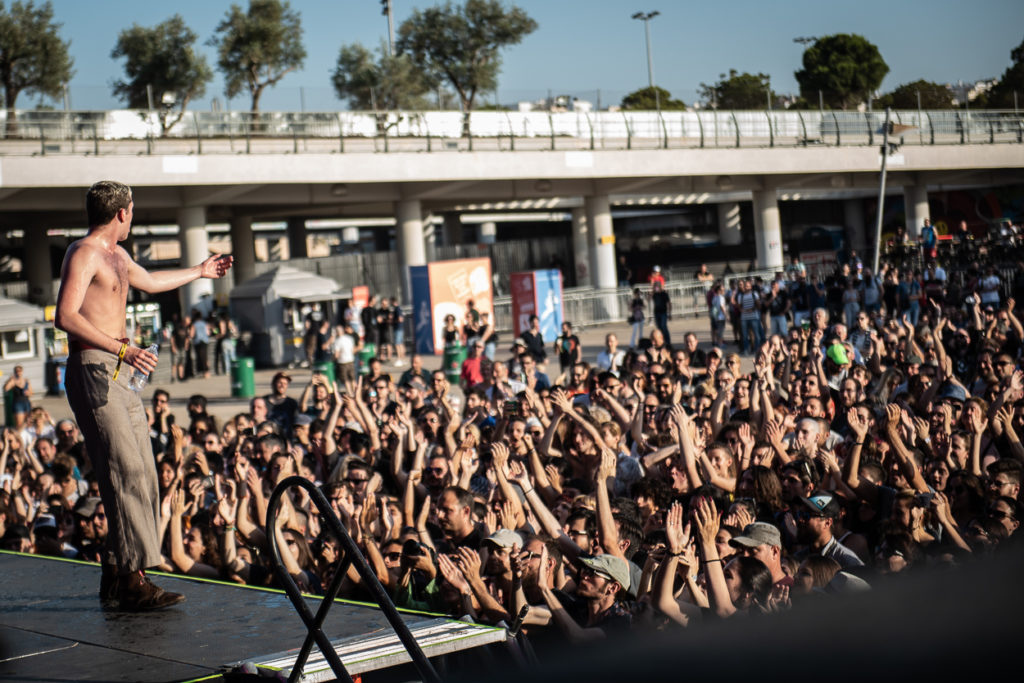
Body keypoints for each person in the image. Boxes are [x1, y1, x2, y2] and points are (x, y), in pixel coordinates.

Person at [54, 180, 232, 611]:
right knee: (125, 471)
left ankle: (118, 572)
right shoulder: (83, 253)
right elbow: (64, 316)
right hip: (96, 369)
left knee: (144, 472)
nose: (132, 216)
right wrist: (124, 349)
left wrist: (199, 272)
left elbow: (150, 282)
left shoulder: (118, 255)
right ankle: (133, 579)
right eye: (132, 210)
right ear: (122, 213)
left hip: (121, 372)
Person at [3, 365, 33, 429]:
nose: (18, 373)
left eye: (20, 371)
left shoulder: (26, 381)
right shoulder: (13, 381)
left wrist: (28, 393)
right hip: (18, 404)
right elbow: (6, 388)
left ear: (22, 372)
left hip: (26, 403)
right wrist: (10, 380)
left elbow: (31, 392)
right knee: (20, 424)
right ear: (15, 372)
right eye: (17, 371)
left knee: (29, 422)